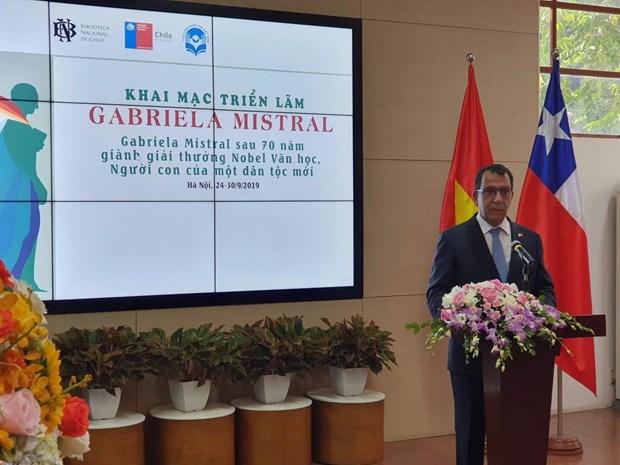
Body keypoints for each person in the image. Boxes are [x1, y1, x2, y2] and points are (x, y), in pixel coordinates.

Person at [426, 163, 556, 465]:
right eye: (490, 192)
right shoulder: (454, 239)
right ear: (476, 196)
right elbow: (436, 292)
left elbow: (545, 289)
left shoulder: (528, 240)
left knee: (516, 439)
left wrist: (542, 315)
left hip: (520, 361)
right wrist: (454, 321)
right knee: (470, 439)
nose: (498, 198)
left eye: (504, 191)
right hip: (470, 359)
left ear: (512, 195)